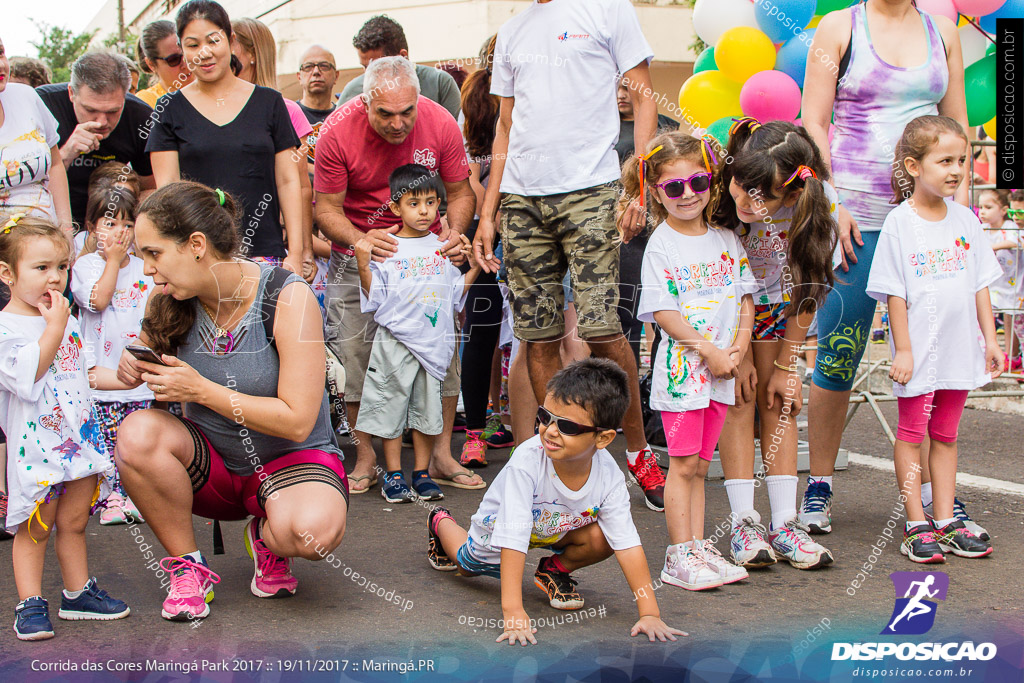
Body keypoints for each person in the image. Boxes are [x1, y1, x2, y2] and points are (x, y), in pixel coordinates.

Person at [112, 182, 347, 621]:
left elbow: (298, 422)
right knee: (136, 434)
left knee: (311, 534)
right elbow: (144, 368)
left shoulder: (286, 296)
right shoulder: (167, 299)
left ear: (196, 245)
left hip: (291, 460)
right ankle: (188, 567)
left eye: (154, 253)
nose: (146, 270)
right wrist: (131, 369)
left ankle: (267, 534)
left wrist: (200, 390)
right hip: (213, 469)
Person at [473, 0, 665, 512]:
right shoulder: (511, 31)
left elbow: (645, 98)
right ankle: (561, 465)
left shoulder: (608, 11)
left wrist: (636, 188)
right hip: (520, 201)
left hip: (593, 191)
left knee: (602, 330)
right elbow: (505, 127)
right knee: (538, 337)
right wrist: (489, 210)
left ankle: (639, 452)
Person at [801, 0, 969, 533]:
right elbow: (813, 121)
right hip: (856, 221)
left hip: (927, 230)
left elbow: (958, 126)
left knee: (933, 359)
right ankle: (819, 485)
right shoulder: (839, 28)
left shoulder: (944, 32)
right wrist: (832, 205)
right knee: (839, 352)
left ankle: (931, 493)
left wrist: (955, 215)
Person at [427, 358, 687, 645]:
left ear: (603, 438)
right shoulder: (526, 462)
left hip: (555, 529)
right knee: (465, 566)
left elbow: (627, 544)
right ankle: (440, 521)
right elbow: (513, 536)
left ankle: (553, 569)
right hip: (500, 532)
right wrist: (513, 611)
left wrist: (649, 613)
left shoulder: (609, 475)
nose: (550, 430)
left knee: (605, 538)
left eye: (567, 426)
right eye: (544, 416)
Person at [314, 55, 482, 494]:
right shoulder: (336, 129)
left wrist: (455, 234)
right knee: (356, 354)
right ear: (364, 102)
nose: (398, 123)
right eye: (385, 114)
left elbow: (462, 192)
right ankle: (367, 458)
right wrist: (361, 242)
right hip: (361, 251)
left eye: (407, 112)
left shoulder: (441, 122)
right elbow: (326, 208)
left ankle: (441, 455)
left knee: (440, 350)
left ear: (418, 100)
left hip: (427, 253)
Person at [865, 115, 1001, 564]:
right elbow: (895, 293)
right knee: (912, 434)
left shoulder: (966, 219)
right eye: (945, 160)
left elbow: (981, 284)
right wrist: (903, 349)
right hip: (920, 354)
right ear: (913, 165)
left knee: (945, 434)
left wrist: (992, 339)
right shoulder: (899, 224)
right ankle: (915, 522)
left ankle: (946, 520)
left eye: (962, 159)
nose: (957, 169)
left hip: (960, 351)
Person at [626, 133, 758, 590]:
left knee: (701, 466)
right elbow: (664, 313)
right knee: (681, 466)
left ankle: (698, 546)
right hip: (684, 377)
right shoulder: (661, 244)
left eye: (697, 182)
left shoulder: (726, 238)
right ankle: (678, 555)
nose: (688, 194)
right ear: (655, 191)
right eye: (673, 187)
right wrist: (711, 352)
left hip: (721, 373)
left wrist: (738, 350)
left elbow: (745, 299)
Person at [712, 118, 839, 570]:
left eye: (762, 195)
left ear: (792, 194)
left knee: (779, 399)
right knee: (740, 395)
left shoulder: (818, 201)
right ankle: (744, 521)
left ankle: (786, 523)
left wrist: (788, 367)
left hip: (783, 302)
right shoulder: (720, 191)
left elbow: (810, 284)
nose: (747, 200)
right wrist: (739, 353)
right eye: (742, 187)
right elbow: (721, 280)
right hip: (722, 307)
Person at [0, 213, 130, 640]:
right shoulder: (7, 327)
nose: (54, 278)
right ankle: (30, 603)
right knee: (34, 527)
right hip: (38, 449)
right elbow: (27, 376)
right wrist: (54, 326)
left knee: (74, 523)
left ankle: (77, 593)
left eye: (61, 267)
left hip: (80, 443)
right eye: (41, 269)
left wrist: (129, 378)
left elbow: (87, 372)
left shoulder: (66, 321)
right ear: (7, 274)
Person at [145, 0, 306, 278]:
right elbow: (168, 192)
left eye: (213, 40)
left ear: (231, 41)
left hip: (264, 253)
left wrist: (296, 252)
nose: (204, 52)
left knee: (266, 322)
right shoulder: (168, 108)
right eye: (193, 45)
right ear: (183, 50)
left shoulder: (270, 103)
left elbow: (288, 181)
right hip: (198, 258)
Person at [355, 164, 481, 502]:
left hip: (433, 344)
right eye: (414, 203)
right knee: (392, 409)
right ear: (395, 207)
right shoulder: (387, 247)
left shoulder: (441, 248)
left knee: (428, 412)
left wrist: (475, 267)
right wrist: (363, 265)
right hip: (395, 342)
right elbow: (375, 297)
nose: (424, 211)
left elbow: (454, 296)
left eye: (430, 202)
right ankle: (394, 474)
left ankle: (421, 473)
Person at [69, 185, 153, 526]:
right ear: (91, 228)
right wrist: (114, 262)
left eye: (126, 224)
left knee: (135, 442)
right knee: (106, 440)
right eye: (109, 223)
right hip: (100, 376)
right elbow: (98, 301)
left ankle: (134, 495)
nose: (119, 232)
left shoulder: (144, 266)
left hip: (139, 376)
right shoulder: (86, 266)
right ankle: (110, 497)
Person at [231, 16, 316, 282]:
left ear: (253, 53)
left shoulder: (285, 109)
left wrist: (303, 251)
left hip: (267, 244)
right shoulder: (212, 108)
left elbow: (301, 185)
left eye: (228, 40)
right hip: (217, 238)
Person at [36, 52, 156, 230]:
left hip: (111, 224)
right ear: (71, 93)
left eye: (113, 111)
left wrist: (120, 223)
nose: (101, 122)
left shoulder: (140, 117)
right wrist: (65, 155)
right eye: (90, 109)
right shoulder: (43, 105)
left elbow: (151, 188)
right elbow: (26, 184)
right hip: (47, 219)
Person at [614, 75, 678, 368]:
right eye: (615, 88)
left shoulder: (664, 125)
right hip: (622, 231)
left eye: (627, 87)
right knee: (626, 316)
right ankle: (630, 399)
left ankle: (658, 388)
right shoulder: (604, 127)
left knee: (666, 314)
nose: (621, 94)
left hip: (660, 227)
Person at [0, 37, 74, 236]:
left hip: (46, 241)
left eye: (1, 52)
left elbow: (55, 165)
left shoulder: (26, 96)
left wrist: (65, 228)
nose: (1, 65)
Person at [338, 15, 461, 120]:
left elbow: (455, 139)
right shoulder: (353, 92)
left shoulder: (440, 83)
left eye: (377, 68)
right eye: (365, 67)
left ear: (403, 57)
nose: (369, 75)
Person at [977, 189, 1021, 364]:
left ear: (1003, 210)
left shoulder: (1009, 226)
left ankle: (1012, 357)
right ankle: (984, 353)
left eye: (988, 207)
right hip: (990, 284)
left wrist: (990, 248)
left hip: (1011, 284)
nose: (983, 211)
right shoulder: (982, 228)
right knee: (985, 318)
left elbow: (1013, 242)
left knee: (1011, 322)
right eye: (980, 207)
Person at [295, 45, 339, 172]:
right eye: (308, 67)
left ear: (336, 76)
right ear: (299, 76)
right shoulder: (288, 115)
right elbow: (285, 164)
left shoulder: (344, 116)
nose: (316, 72)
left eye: (324, 66)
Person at [135, 20, 194, 108]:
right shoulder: (146, 103)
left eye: (188, 53)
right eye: (174, 60)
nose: (185, 64)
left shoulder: (214, 84)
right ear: (151, 64)